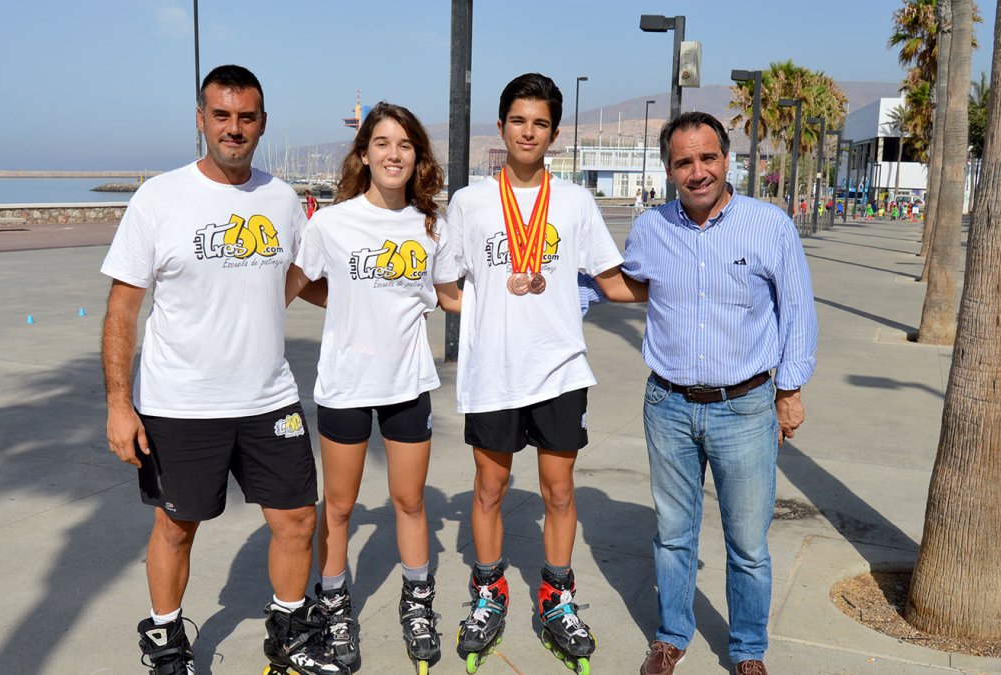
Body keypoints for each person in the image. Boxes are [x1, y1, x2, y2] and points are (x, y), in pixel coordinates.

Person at [100, 64, 347, 675]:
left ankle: (288, 634)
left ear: (262, 123)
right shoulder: (159, 198)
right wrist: (118, 403)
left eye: (246, 117)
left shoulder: (282, 198)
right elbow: (123, 309)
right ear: (201, 119)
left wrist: (371, 298)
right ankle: (166, 643)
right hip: (180, 403)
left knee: (297, 519)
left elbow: (299, 281)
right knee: (177, 527)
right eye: (221, 115)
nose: (233, 129)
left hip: (269, 397)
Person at [444, 72, 645, 674]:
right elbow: (446, 284)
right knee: (489, 490)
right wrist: (484, 305)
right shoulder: (470, 202)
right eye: (518, 120)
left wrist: (684, 286)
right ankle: (489, 592)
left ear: (554, 134)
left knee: (558, 491)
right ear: (502, 125)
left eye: (540, 123)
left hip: (558, 370)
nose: (528, 132)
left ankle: (558, 597)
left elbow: (610, 280)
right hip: (493, 374)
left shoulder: (577, 204)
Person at [624, 112, 818, 675]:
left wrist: (791, 389)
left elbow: (797, 312)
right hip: (668, 406)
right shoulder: (650, 228)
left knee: (749, 544)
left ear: (727, 160)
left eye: (707, 158)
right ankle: (671, 637)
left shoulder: (769, 225)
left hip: (746, 407)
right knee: (673, 535)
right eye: (684, 162)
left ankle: (749, 649)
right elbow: (622, 282)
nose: (697, 171)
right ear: (669, 169)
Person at [285, 102, 461, 672]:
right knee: (338, 507)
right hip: (345, 386)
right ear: (364, 154)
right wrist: (344, 305)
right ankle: (334, 606)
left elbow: (452, 294)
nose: (393, 153)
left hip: (408, 384)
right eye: (382, 143)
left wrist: (520, 298)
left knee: (409, 502)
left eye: (405, 145)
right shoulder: (331, 223)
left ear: (417, 158)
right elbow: (294, 284)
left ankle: (417, 603)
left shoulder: (430, 225)